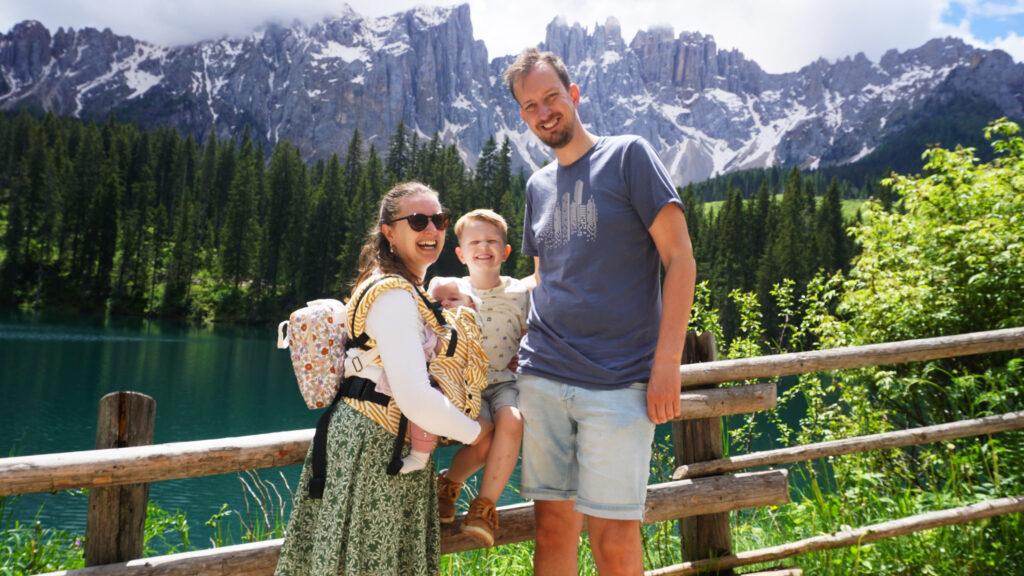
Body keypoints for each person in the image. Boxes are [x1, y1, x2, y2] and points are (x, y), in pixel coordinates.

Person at [503, 48, 697, 575]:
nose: (544, 113)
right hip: (543, 378)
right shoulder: (536, 186)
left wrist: (666, 364)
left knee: (614, 542)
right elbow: (547, 276)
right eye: (530, 106)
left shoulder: (628, 156)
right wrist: (469, 292)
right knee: (551, 532)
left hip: (618, 383)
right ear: (522, 116)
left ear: (574, 96)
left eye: (551, 97)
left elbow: (680, 261)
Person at [275, 182, 492, 576]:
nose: (432, 230)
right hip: (376, 446)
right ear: (389, 232)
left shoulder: (405, 289)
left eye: (439, 220)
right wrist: (476, 434)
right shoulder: (393, 295)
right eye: (418, 220)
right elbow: (415, 399)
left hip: (380, 443)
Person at [429, 209, 530, 548]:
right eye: (474, 242)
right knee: (482, 439)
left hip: (505, 381)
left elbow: (532, 330)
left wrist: (526, 352)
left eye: (492, 241)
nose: (483, 247)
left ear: (505, 251)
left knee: (513, 421)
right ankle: (448, 486)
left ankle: (484, 508)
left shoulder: (520, 293)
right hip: (466, 384)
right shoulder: (449, 291)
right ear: (460, 253)